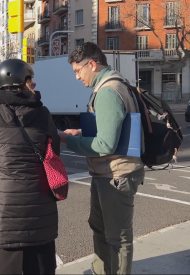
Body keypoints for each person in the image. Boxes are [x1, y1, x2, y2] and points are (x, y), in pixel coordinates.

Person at [0, 58, 61, 275]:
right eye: (31, 80)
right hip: (39, 204)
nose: (33, 85)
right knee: (42, 264)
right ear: (22, 81)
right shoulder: (42, 113)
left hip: (4, 208)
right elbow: (54, 152)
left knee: (9, 265)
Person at [58, 43, 145, 275]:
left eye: (78, 71)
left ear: (92, 64)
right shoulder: (113, 84)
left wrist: (68, 141)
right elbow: (111, 129)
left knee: (117, 238)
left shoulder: (108, 91)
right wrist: (81, 133)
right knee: (100, 228)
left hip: (116, 174)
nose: (77, 77)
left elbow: (105, 144)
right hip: (108, 172)